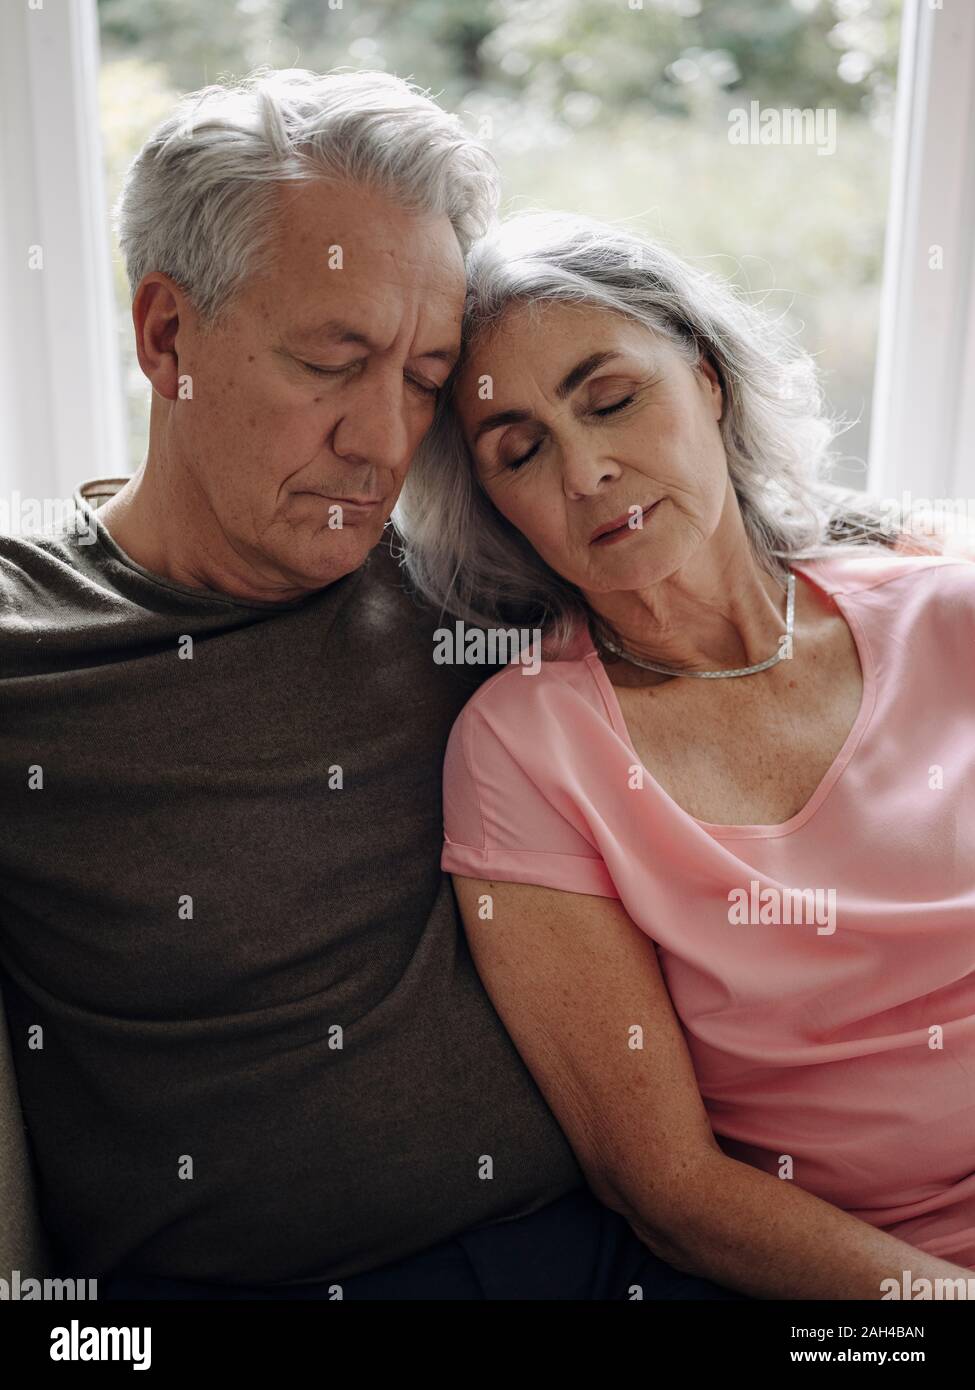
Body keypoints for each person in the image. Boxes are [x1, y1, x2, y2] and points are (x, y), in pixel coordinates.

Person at [0, 69, 745, 1301]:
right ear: (167, 336)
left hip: (618, 1250)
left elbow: (735, 570)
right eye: (331, 362)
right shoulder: (29, 644)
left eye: (420, 378)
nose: (383, 442)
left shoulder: (484, 573)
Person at [393, 211, 975, 1299]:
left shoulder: (950, 615)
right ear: (496, 505)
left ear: (706, 380)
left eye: (611, 399)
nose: (587, 469)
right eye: (521, 450)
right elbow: (664, 1187)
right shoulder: (528, 752)